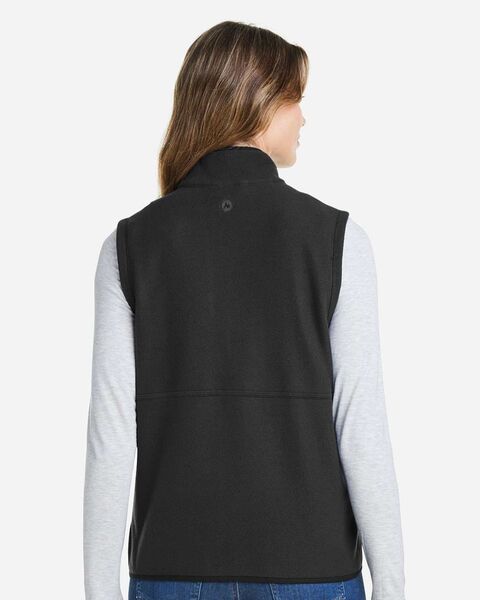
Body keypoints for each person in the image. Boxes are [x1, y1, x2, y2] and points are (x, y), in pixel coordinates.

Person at [83, 20, 405, 600]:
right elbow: (359, 424)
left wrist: (99, 590)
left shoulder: (129, 245)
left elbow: (111, 434)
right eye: (295, 98)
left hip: (170, 568)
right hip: (311, 568)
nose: (304, 118)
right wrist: (394, 585)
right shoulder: (337, 240)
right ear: (257, 104)